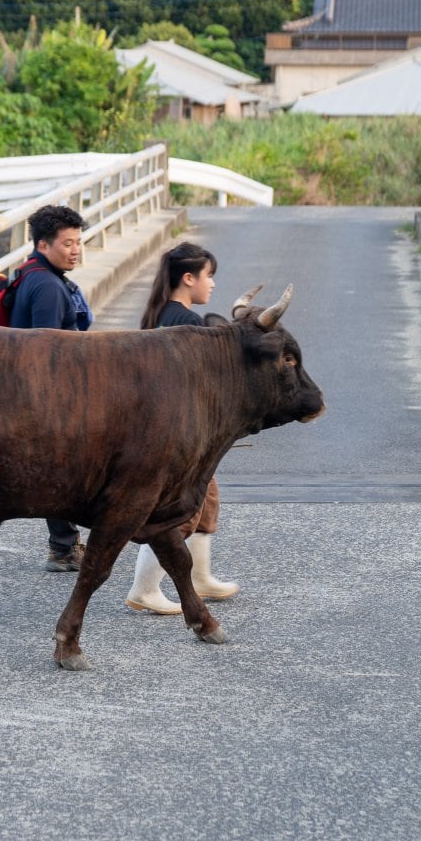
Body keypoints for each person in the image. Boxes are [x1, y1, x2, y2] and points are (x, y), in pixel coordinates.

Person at [124, 241, 240, 613]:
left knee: (206, 499)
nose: (213, 284)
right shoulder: (189, 325)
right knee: (178, 508)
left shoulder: (160, 315)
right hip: (178, 433)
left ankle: (200, 577)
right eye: (209, 276)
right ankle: (144, 589)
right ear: (188, 278)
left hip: (161, 426)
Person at [10, 203, 93, 569]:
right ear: (43, 245)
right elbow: (47, 351)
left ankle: (66, 544)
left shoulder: (34, 273)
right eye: (67, 243)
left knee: (59, 470)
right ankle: (63, 548)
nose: (75, 250)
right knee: (63, 470)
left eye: (78, 242)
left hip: (30, 390)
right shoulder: (47, 287)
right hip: (48, 395)